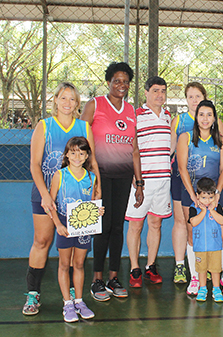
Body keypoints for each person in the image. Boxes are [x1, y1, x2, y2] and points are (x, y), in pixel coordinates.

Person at [23, 82, 100, 316]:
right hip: (46, 196)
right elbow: (35, 165)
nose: (67, 103)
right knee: (42, 241)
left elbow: (93, 163)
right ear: (55, 100)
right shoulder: (44, 126)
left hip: (77, 201)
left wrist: (97, 193)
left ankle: (75, 300)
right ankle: (33, 294)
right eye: (63, 98)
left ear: (78, 103)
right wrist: (46, 196)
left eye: (72, 99)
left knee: (76, 253)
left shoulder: (83, 127)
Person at [81, 62, 144, 301]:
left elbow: (135, 150)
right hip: (99, 176)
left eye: (126, 81)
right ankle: (97, 280)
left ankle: (113, 278)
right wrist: (88, 175)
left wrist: (139, 183)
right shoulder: (94, 105)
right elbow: (81, 141)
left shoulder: (130, 111)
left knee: (118, 227)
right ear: (108, 82)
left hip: (124, 176)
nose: (121, 85)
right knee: (102, 227)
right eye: (117, 80)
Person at [170, 82, 223, 284]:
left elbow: (222, 151)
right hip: (182, 179)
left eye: (198, 96)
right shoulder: (179, 120)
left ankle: (209, 268)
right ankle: (181, 266)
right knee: (183, 222)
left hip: (208, 184)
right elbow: (170, 150)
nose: (194, 100)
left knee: (208, 223)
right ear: (186, 100)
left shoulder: (212, 121)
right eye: (190, 97)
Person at [176, 100, 223, 295]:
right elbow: (182, 168)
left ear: (214, 118)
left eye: (209, 114)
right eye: (202, 114)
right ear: (196, 117)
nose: (205, 118)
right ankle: (195, 277)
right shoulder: (185, 138)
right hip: (191, 193)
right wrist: (194, 197)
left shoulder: (221, 140)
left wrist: (216, 194)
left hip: (216, 193)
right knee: (193, 236)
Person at [48, 137, 104, 322]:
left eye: (81, 153)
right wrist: (58, 224)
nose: (77, 156)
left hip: (83, 226)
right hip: (64, 223)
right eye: (73, 152)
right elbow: (51, 203)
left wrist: (98, 210)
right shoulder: (60, 175)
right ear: (67, 155)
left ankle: (79, 301)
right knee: (64, 264)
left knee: (79, 264)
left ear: (87, 155)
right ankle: (67, 304)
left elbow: (94, 202)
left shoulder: (91, 177)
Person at [125, 76, 172, 288]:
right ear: (146, 92)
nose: (159, 95)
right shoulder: (136, 116)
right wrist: (138, 180)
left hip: (163, 181)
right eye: (155, 91)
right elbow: (131, 150)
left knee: (156, 223)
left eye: (163, 91)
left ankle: (150, 266)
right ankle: (134, 268)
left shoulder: (168, 116)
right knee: (136, 225)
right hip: (141, 183)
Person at [189, 178, 223, 302]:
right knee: (202, 269)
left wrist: (211, 210)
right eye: (204, 198)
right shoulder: (193, 208)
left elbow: (222, 221)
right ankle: (202, 288)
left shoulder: (217, 207)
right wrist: (204, 211)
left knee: (216, 269)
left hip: (215, 246)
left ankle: (216, 289)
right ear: (197, 196)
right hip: (200, 247)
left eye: (210, 198)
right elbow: (193, 222)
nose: (207, 201)